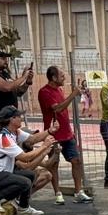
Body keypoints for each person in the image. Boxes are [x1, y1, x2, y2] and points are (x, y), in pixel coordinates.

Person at [0, 106, 52, 215]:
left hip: (2, 174)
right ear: (11, 119)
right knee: (25, 182)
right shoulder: (4, 138)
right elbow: (25, 157)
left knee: (30, 175)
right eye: (18, 116)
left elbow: (32, 139)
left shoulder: (14, 133)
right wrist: (44, 147)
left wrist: (50, 131)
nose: (21, 119)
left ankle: (23, 207)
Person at [37, 66, 92, 203]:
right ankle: (57, 192)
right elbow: (58, 108)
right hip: (54, 134)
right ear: (54, 78)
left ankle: (78, 191)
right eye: (61, 76)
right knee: (54, 163)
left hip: (67, 133)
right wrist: (73, 94)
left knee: (76, 160)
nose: (64, 78)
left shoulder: (59, 90)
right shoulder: (44, 92)